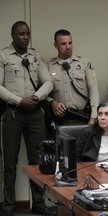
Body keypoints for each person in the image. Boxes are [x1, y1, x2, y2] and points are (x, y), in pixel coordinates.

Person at [0, 21, 55, 216]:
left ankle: (39, 203)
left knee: (38, 160)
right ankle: (8, 205)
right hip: (13, 113)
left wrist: (36, 97)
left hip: (34, 113)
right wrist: (18, 101)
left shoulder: (35, 55)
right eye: (21, 34)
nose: (25, 37)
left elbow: (48, 81)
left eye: (27, 34)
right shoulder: (3, 56)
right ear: (13, 35)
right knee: (10, 160)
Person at [46, 29, 99, 127]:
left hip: (81, 118)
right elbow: (42, 93)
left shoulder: (84, 63)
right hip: (58, 120)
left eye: (70, 43)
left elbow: (94, 91)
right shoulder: (49, 66)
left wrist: (93, 116)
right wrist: (52, 103)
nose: (68, 47)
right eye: (63, 44)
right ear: (55, 45)